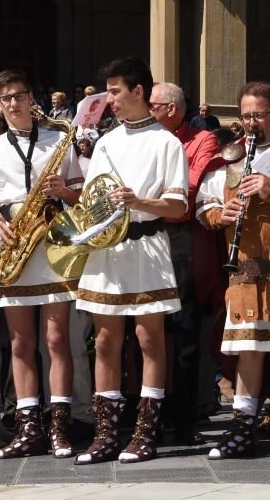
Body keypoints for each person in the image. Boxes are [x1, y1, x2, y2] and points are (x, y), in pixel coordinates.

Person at [75, 57, 189, 465]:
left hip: (148, 246)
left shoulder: (166, 142)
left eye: (116, 92)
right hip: (109, 250)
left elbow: (177, 207)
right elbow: (91, 199)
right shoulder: (106, 141)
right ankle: (105, 434)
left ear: (139, 91)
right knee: (105, 340)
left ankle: (145, 433)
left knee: (148, 339)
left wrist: (138, 201)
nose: (110, 101)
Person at [0, 69, 84, 460]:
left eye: (19, 96)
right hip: (15, 242)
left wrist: (65, 190)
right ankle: (28, 427)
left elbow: (81, 192)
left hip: (52, 241)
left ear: (31, 98)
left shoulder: (58, 140)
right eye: (5, 99)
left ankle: (59, 427)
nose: (13, 104)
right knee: (21, 343)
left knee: (56, 340)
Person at [196, 81, 270, 461]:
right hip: (242, 269)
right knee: (248, 350)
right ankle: (242, 429)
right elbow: (204, 202)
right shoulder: (231, 156)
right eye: (245, 115)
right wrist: (216, 214)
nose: (250, 123)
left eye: (258, 115)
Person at [149, 81, 219, 445]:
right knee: (149, 331)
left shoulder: (202, 138)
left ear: (171, 109)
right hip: (147, 236)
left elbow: (190, 186)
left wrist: (149, 194)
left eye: (153, 106)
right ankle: (150, 413)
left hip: (181, 238)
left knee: (185, 329)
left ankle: (186, 418)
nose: (148, 111)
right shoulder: (141, 138)